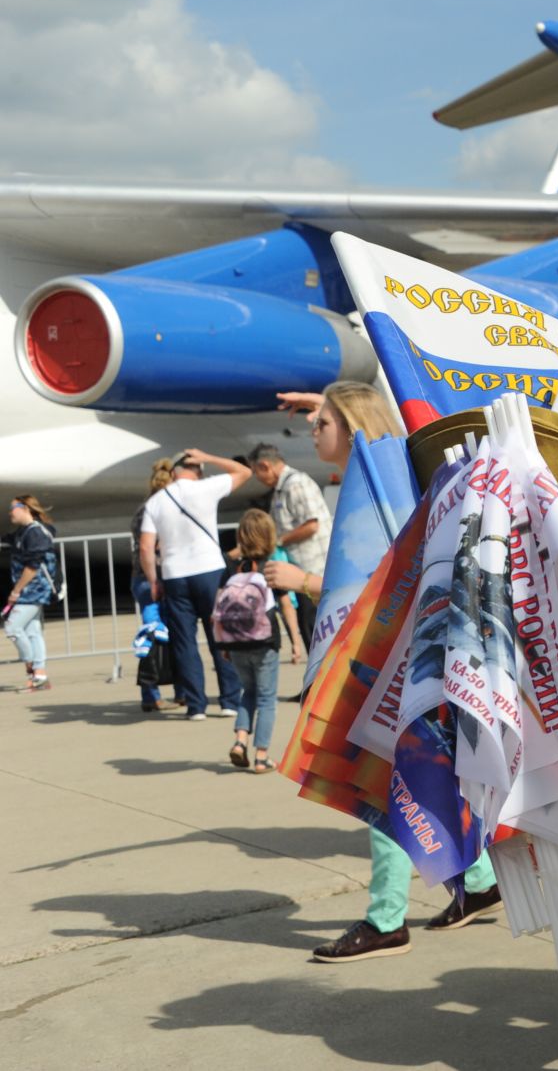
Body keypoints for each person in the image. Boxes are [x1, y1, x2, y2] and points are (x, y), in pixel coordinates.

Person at [266, 380, 503, 962]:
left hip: (386, 665)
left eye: (321, 422)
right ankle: (478, 883)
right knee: (423, 772)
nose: (313, 431)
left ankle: (386, 920)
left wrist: (304, 584)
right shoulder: (373, 484)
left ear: (349, 426)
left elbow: (385, 585)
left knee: (379, 781)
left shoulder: (377, 494)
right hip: (404, 665)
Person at [139, 450, 252, 719]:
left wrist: (154, 580)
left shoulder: (156, 502)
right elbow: (244, 472)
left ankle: (195, 706)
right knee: (219, 636)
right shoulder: (206, 488)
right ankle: (229, 702)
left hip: (175, 573)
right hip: (209, 570)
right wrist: (210, 456)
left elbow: (145, 547)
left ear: (174, 471)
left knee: (184, 642)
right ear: (198, 469)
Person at [218, 509, 300, 773]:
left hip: (236, 642)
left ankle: (240, 741)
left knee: (248, 692)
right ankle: (261, 755)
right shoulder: (271, 569)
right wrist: (296, 640)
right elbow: (286, 606)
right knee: (266, 699)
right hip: (265, 643)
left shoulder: (231, 569)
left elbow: (218, 608)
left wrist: (224, 644)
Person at [248, 443, 328, 660]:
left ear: (265, 465)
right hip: (298, 575)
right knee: (308, 631)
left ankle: (321, 687)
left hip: (312, 571)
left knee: (316, 632)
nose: (258, 479)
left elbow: (312, 524)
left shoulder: (296, 484)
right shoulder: (281, 489)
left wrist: (280, 541)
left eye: (257, 472)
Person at [133, 459, 183, 712]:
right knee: (176, 634)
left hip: (142, 578)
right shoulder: (161, 508)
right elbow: (150, 547)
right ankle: (178, 691)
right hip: (158, 577)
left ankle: (152, 693)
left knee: (151, 636)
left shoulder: (143, 508)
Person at [5, 495, 58, 691]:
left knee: (12, 628)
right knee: (33, 631)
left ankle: (31, 667)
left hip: (34, 589)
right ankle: (40, 676)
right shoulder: (23, 532)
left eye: (14, 507)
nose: (10, 511)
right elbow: (6, 540)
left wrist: (16, 591)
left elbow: (33, 566)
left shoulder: (36, 533)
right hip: (30, 589)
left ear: (25, 508)